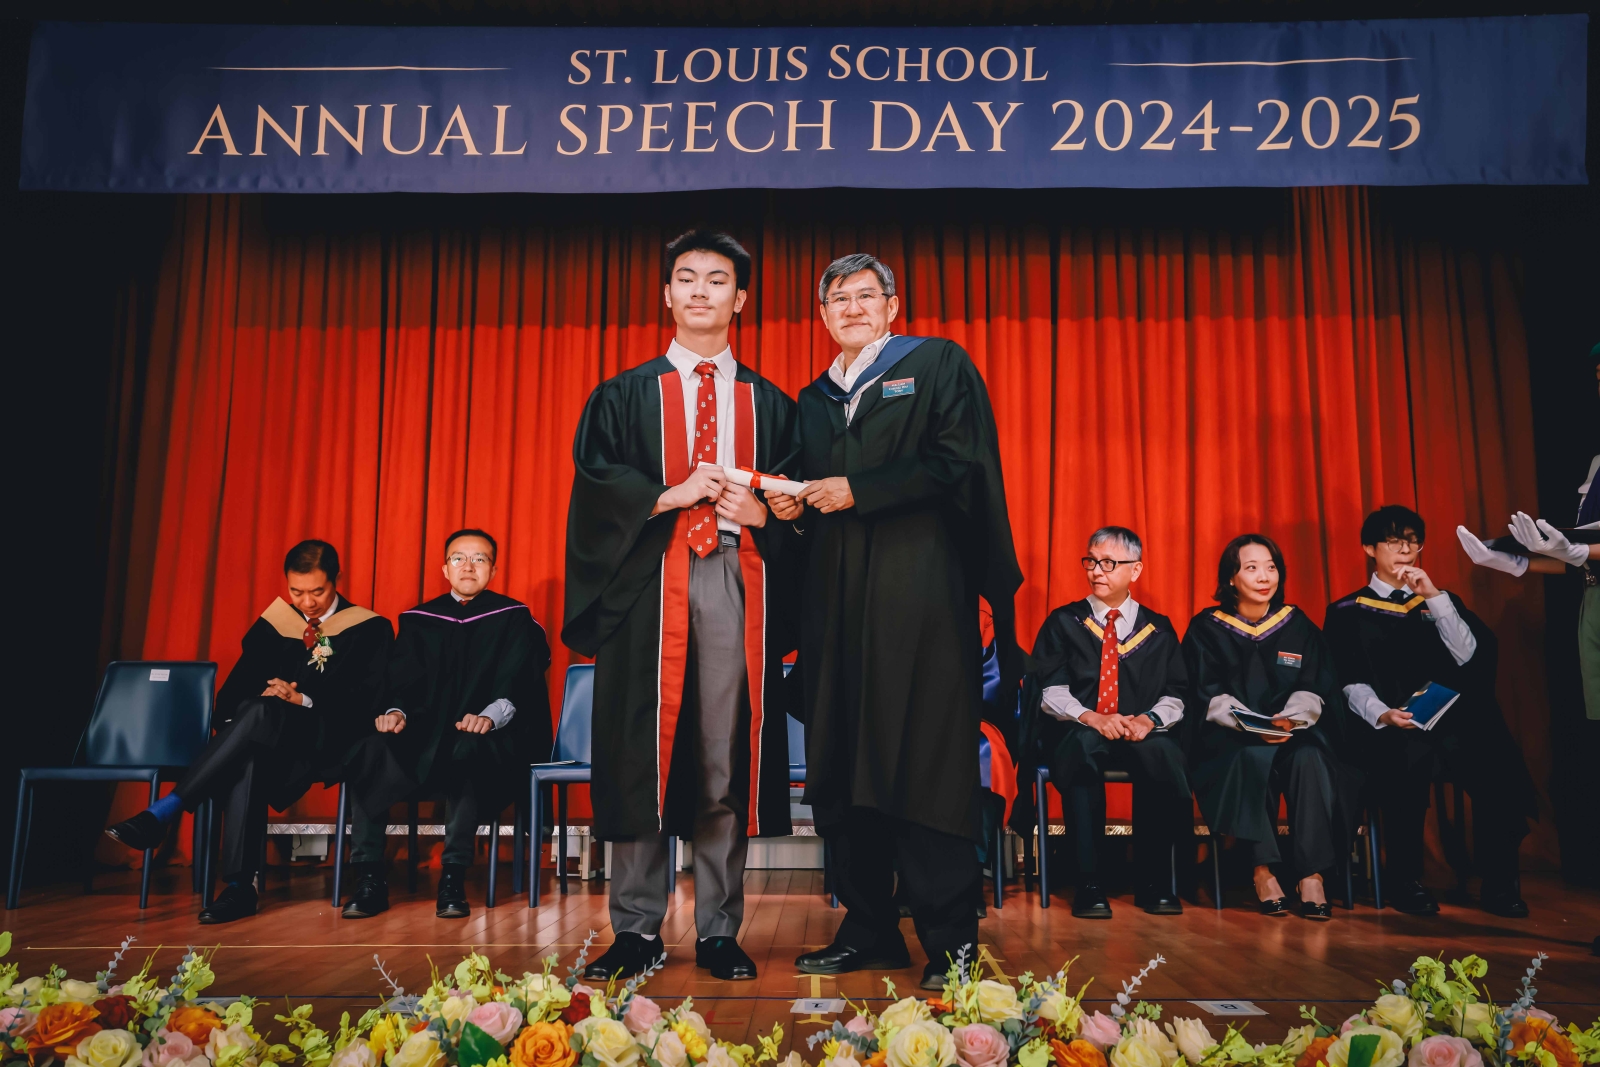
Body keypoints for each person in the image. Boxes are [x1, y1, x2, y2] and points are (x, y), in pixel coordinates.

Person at [768, 252, 1022, 988]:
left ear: (891, 305)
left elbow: (961, 463)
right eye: (837, 299)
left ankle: (952, 942)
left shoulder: (936, 365)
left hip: (919, 606)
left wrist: (861, 488)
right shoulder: (814, 399)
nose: (851, 308)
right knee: (843, 769)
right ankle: (869, 927)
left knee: (925, 766)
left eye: (864, 295)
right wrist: (790, 506)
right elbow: (807, 497)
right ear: (822, 315)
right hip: (834, 613)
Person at [563, 230, 800, 982]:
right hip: (648, 578)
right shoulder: (623, 396)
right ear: (667, 294)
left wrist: (764, 516)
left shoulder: (772, 405)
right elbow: (595, 490)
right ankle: (635, 929)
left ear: (741, 298)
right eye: (687, 278)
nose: (701, 290)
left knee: (725, 752)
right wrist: (670, 494)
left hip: (736, 574)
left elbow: (802, 501)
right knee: (643, 753)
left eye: (717, 279)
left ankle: (720, 927)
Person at [105, 540, 393, 924]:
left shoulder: (369, 628)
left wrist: (302, 699)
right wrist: (266, 698)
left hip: (331, 742)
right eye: (297, 591)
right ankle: (241, 887)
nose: (307, 602)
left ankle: (166, 811)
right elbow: (229, 701)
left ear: (336, 579)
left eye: (318, 591)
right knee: (251, 738)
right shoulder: (274, 626)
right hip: (273, 740)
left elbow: (368, 703)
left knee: (255, 727)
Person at [1326, 505, 1538, 917]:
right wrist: (1383, 714)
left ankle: (1499, 883)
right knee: (1404, 761)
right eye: (1393, 541)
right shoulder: (1347, 611)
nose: (1405, 550)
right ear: (1369, 548)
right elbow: (1346, 678)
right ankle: (1405, 881)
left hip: (1452, 722)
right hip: (1392, 725)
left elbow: (1470, 657)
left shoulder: (1441, 599)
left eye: (1412, 541)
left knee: (1496, 759)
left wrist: (1435, 598)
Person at [340, 529, 550, 920]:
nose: (468, 566)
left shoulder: (514, 618)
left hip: (488, 738)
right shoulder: (419, 620)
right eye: (458, 558)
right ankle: (369, 877)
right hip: (422, 736)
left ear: (493, 569)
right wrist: (396, 713)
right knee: (372, 748)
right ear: (445, 568)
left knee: (468, 748)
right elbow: (400, 681)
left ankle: (453, 878)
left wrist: (488, 717)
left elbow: (520, 681)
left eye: (479, 559)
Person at [1022, 526, 1189, 919]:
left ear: (1136, 570)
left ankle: (1154, 882)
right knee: (1081, 753)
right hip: (1080, 728)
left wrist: (1149, 719)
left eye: (1109, 563)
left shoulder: (1158, 629)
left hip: (1140, 730)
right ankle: (1089, 883)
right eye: (1092, 562)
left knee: (1163, 755)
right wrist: (1091, 717)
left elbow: (1178, 692)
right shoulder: (1064, 622)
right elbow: (1048, 689)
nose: (1096, 571)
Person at [1181, 534, 1348, 921]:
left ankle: (1311, 874)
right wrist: (1251, 725)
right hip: (1230, 738)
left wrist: (1289, 720)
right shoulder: (1207, 628)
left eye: (1271, 567)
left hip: (1293, 732)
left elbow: (1314, 685)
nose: (1264, 577)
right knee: (1251, 757)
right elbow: (1205, 693)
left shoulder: (1298, 625)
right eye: (1252, 568)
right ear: (1231, 578)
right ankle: (1262, 870)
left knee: (1310, 758)